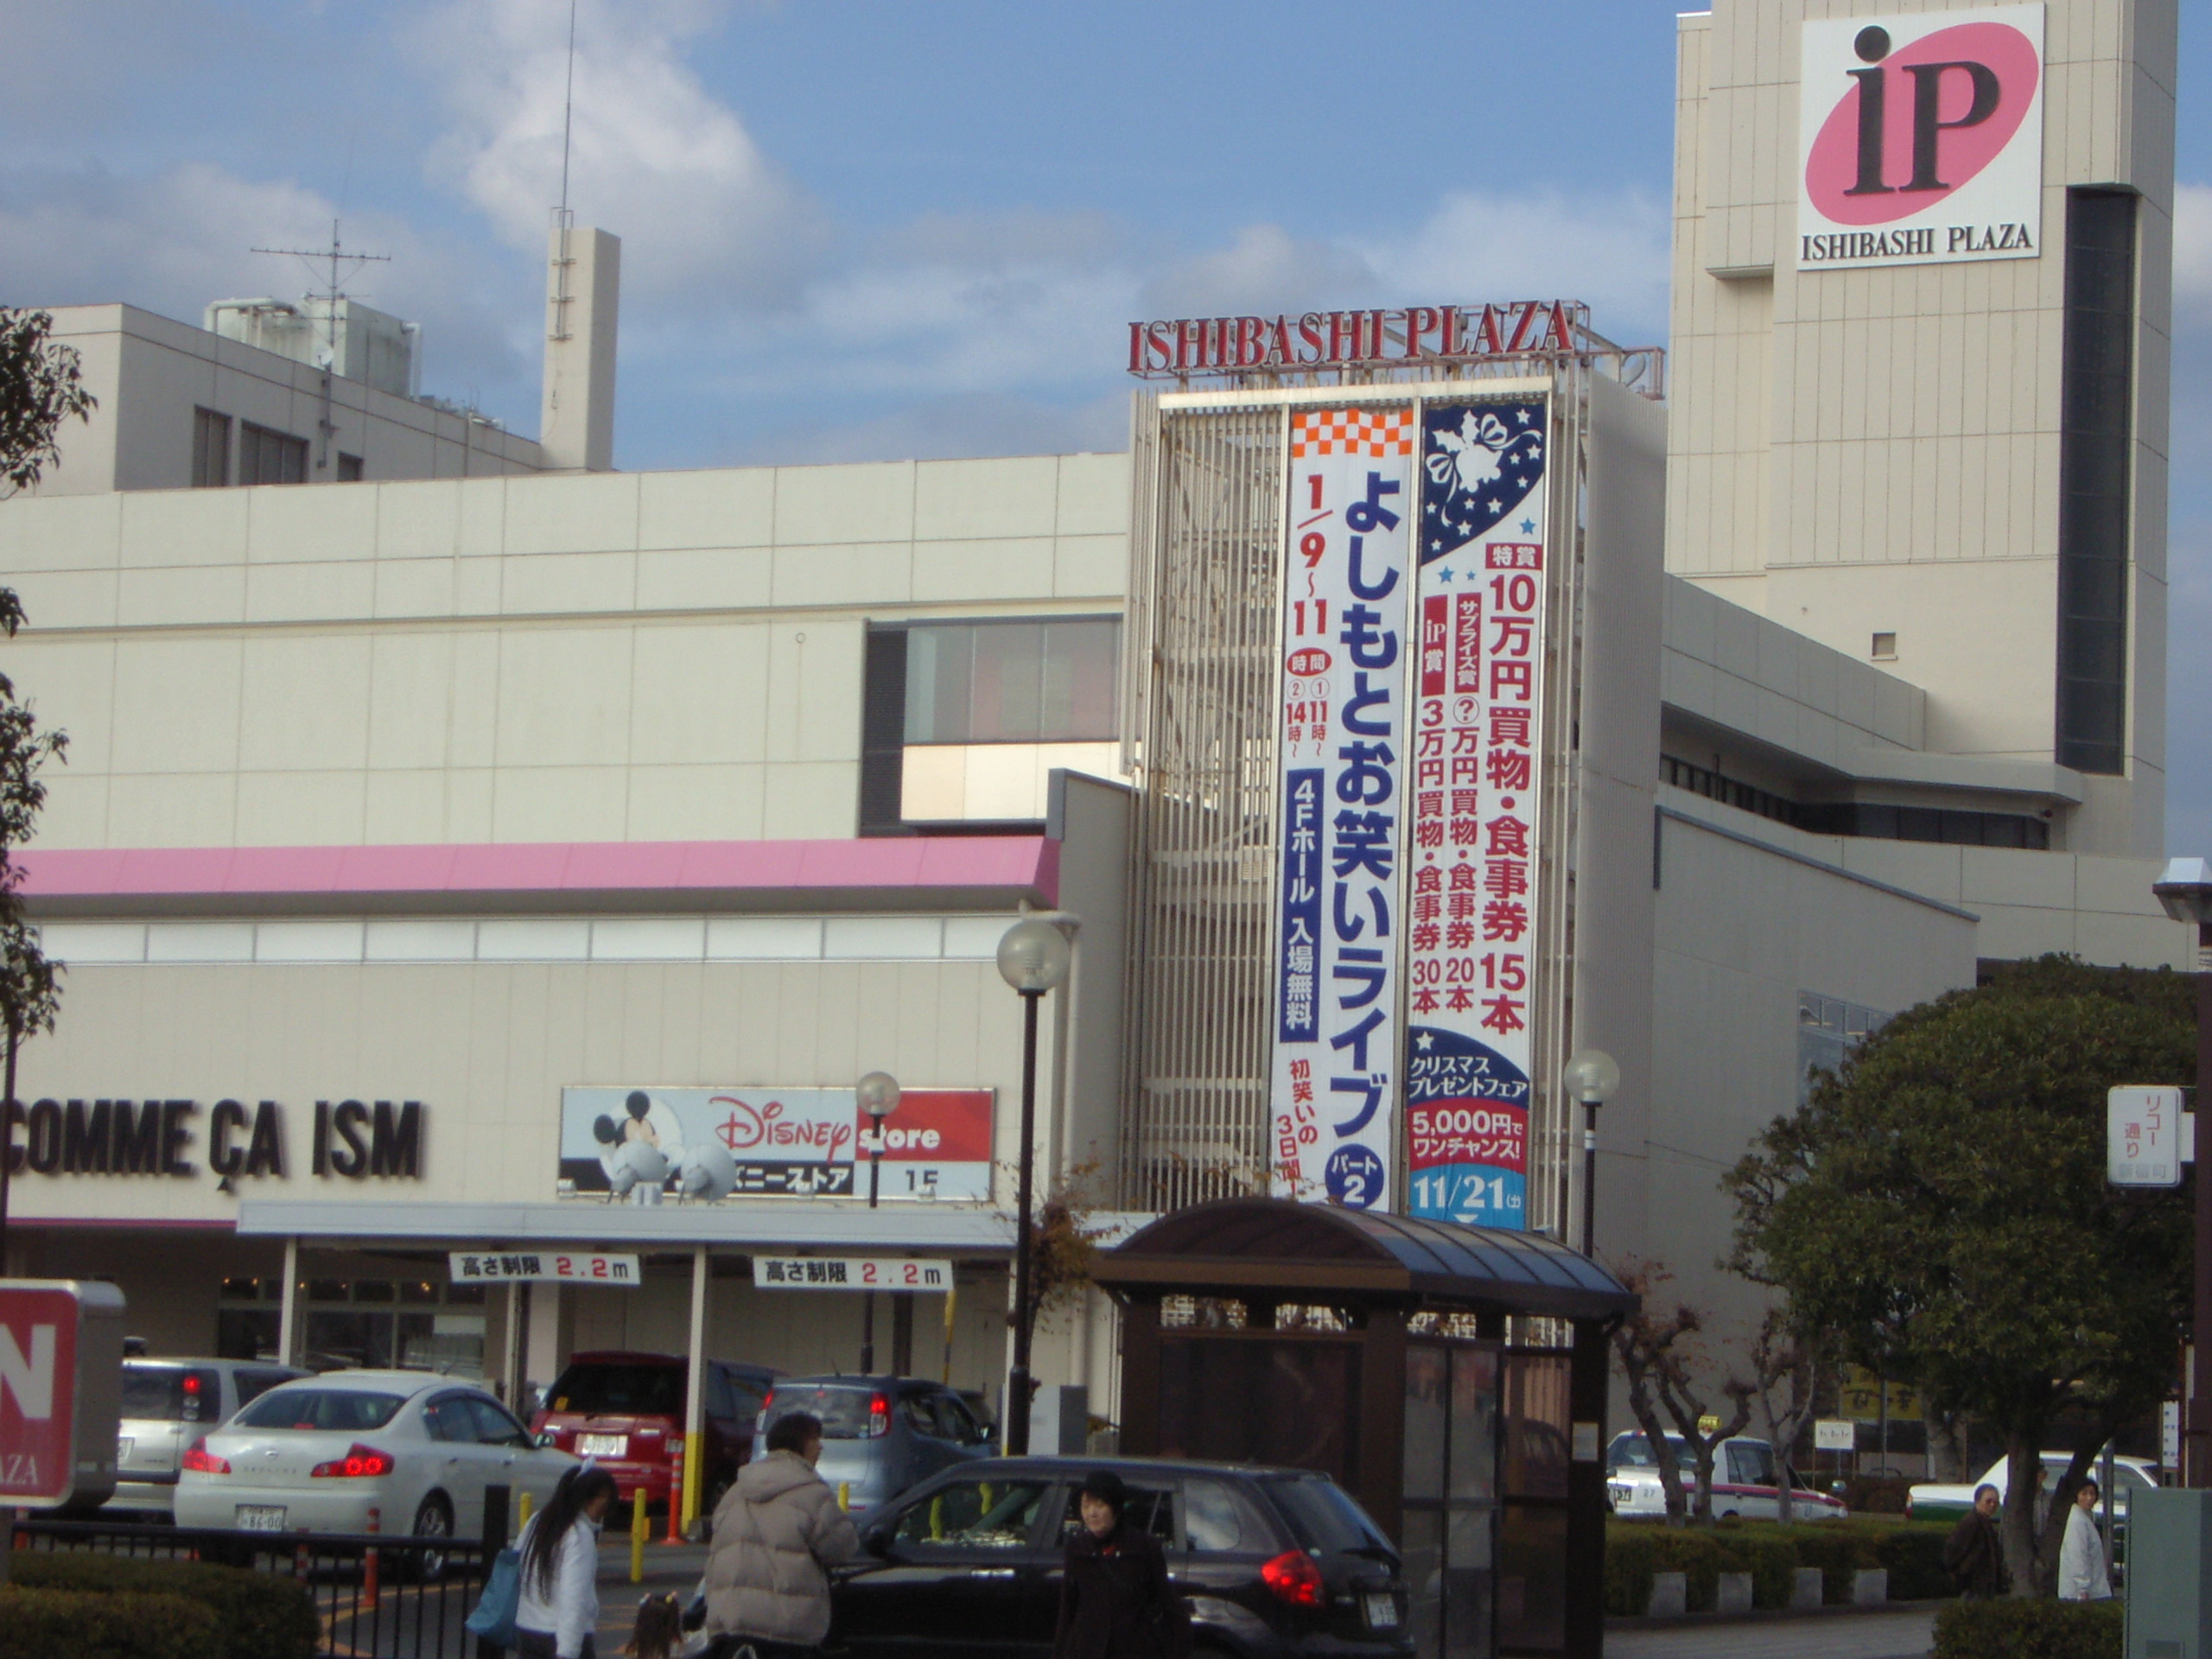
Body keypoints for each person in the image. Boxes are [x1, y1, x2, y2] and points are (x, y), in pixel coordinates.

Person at [703, 1411, 858, 1658]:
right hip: (789, 1627)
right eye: (815, 1439)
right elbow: (842, 1547)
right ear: (800, 1445)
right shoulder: (811, 1492)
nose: (820, 1447)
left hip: (733, 1624)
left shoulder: (735, 1492)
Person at [1053, 1469, 1186, 1659]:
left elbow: (1170, 1607)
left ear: (1115, 1508)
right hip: (1088, 1650)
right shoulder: (1077, 1549)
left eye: (1099, 1505)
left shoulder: (1144, 1548)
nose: (1092, 1513)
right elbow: (1067, 1611)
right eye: (1086, 1506)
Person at [518, 1465, 620, 1659]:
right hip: (560, 1639)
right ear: (588, 1498)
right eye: (605, 1500)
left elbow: (517, 1565)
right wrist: (568, 1652)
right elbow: (573, 1597)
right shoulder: (578, 1535)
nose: (604, 1510)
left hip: (528, 1630)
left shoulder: (537, 1521)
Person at [1942, 1484, 2005, 1599]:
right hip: (1972, 1585)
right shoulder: (1971, 1523)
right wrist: (1959, 1573)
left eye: (1996, 1502)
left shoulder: (1986, 1522)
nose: (1992, 1505)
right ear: (1977, 1501)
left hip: (1985, 1584)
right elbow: (1953, 1550)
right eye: (1988, 1501)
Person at [2059, 1478, 2113, 1601]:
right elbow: (2077, 1554)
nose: (2089, 1498)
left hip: (2093, 1589)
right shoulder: (2077, 1521)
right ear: (2076, 1496)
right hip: (2080, 1594)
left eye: (2092, 1494)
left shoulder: (2085, 1518)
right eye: (2084, 1493)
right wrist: (2082, 1588)